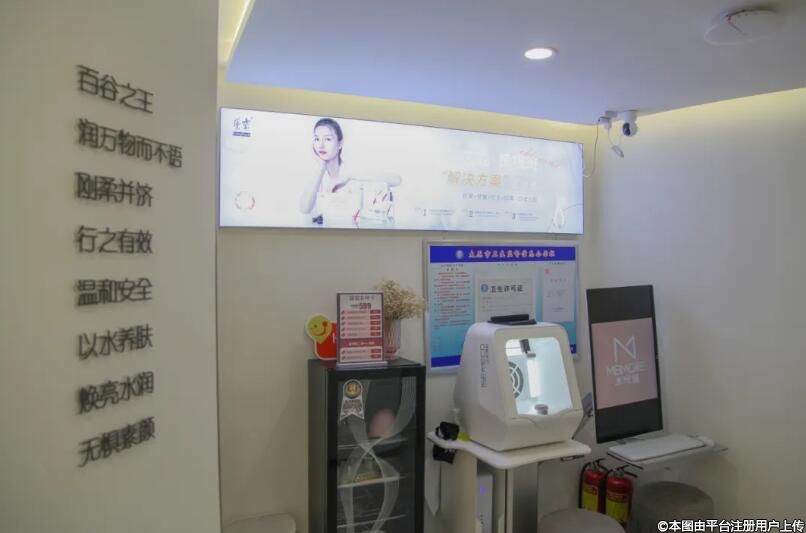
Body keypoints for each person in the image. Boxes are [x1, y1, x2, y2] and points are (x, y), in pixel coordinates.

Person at [299, 118, 402, 217]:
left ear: (340, 143)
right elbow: (304, 209)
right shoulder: (316, 174)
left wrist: (349, 176)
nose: (321, 145)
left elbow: (396, 180)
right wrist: (321, 168)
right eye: (317, 139)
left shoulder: (352, 170)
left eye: (328, 139)